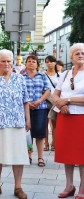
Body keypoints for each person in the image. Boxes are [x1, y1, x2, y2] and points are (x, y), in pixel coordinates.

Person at [0, 49, 30, 199]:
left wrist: (28, 119)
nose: (6, 64)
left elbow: (25, 101)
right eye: (3, 61)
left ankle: (18, 187)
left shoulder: (20, 79)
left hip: (17, 122)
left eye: (9, 61)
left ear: (13, 62)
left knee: (18, 155)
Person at [53, 43, 84, 199]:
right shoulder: (65, 74)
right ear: (71, 57)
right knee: (67, 153)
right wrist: (60, 103)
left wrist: (68, 100)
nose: (80, 55)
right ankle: (69, 185)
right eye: (77, 53)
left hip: (81, 118)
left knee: (82, 153)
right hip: (65, 117)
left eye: (83, 53)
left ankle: (83, 188)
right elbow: (55, 94)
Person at [22, 55, 51, 167]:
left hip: (40, 107)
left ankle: (40, 158)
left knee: (40, 133)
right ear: (25, 64)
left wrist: (39, 101)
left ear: (37, 64)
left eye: (34, 61)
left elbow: (47, 90)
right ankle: (28, 156)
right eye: (29, 61)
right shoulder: (21, 76)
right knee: (27, 133)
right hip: (25, 107)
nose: (31, 63)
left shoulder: (42, 75)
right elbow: (19, 92)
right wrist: (27, 102)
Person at [44, 55, 60, 152]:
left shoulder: (60, 75)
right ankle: (46, 143)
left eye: (51, 61)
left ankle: (54, 143)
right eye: (47, 62)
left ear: (55, 63)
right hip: (45, 100)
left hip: (55, 102)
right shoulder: (43, 74)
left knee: (55, 123)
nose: (49, 63)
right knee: (44, 123)